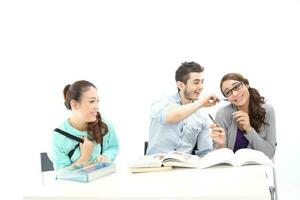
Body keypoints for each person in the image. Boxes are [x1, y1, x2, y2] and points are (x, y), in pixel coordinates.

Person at [146, 62, 218, 156]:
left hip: (183, 168)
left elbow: (205, 153)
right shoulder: (162, 102)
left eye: (202, 82)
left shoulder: (202, 116)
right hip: (156, 166)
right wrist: (201, 103)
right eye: (196, 82)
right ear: (180, 85)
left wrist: (219, 143)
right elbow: (169, 117)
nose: (201, 87)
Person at [50, 80, 119, 170]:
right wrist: (84, 158)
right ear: (74, 104)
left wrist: (106, 156)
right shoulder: (59, 136)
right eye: (92, 101)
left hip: (103, 180)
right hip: (74, 184)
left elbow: (113, 147)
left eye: (97, 101)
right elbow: (61, 174)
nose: (97, 106)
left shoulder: (104, 125)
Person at [210, 73, 276, 159]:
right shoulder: (223, 113)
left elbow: (270, 153)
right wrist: (221, 145)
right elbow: (218, 160)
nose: (234, 94)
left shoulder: (267, 109)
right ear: (227, 99)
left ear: (246, 84)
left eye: (236, 87)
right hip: (232, 171)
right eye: (228, 92)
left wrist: (249, 129)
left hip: (259, 170)